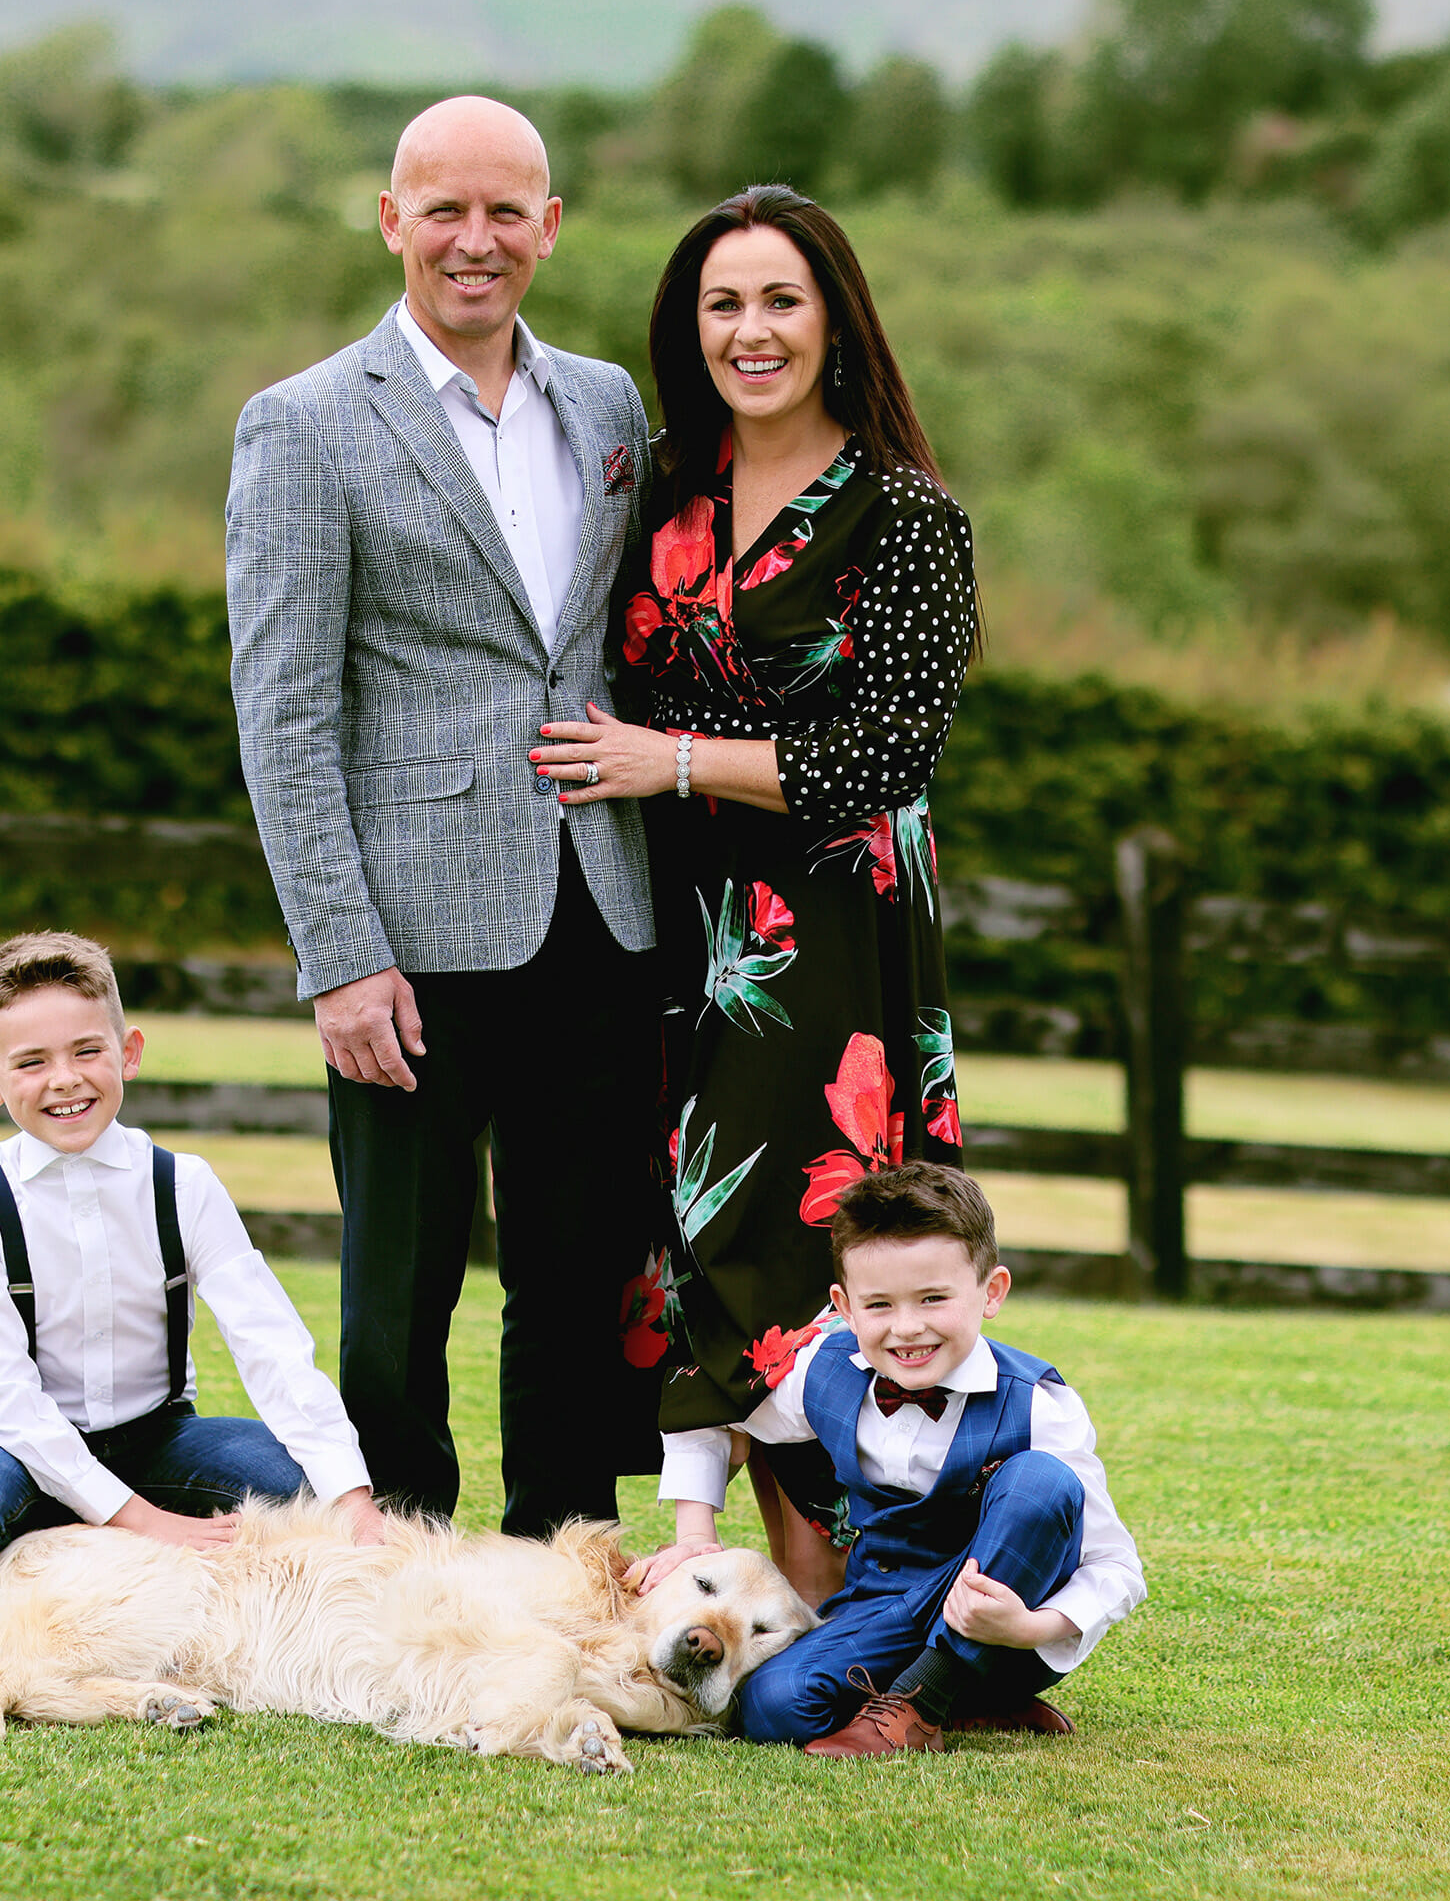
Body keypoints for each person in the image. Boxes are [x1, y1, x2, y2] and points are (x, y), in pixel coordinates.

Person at [225, 96, 666, 1538]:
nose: (475, 241)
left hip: (598, 906)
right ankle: (395, 1565)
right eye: (443, 210)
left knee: (577, 1271)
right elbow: (284, 715)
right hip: (405, 936)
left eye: (505, 211)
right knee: (397, 1290)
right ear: (390, 221)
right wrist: (339, 955)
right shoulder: (302, 424)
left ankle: (564, 1558)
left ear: (550, 226)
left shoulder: (606, 404)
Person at [531, 183, 978, 1605]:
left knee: (792, 1236)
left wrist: (669, 759)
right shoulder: (661, 487)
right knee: (679, 1236)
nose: (752, 330)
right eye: (722, 304)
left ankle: (853, 1603)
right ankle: (742, 1597)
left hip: (822, 927)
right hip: (663, 912)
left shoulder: (905, 516)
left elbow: (887, 755)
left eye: (781, 299)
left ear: (836, 320)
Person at [0, 932, 382, 1582]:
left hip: (161, 1441)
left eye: (87, 1050)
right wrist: (142, 1520)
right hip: (22, 1452)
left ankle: (82, 1542)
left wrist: (351, 1499)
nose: (65, 1079)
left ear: (128, 1053)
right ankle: (102, 1531)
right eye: (31, 1062)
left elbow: (269, 1342)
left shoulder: (183, 1184)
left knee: (297, 1484)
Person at [639, 1163, 1146, 1756]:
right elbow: (708, 1400)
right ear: (845, 1306)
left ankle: (922, 1705)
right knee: (773, 1705)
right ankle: (968, 1701)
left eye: (933, 1298)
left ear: (991, 1292)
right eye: (879, 1304)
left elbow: (1116, 1566)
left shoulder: (1038, 1405)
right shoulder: (827, 1372)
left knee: (1041, 1483)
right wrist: (695, 1533)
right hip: (883, 1609)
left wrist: (1030, 1627)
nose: (907, 1329)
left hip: (1000, 1616)